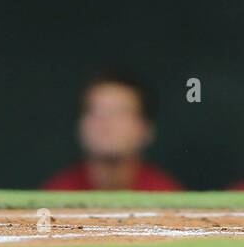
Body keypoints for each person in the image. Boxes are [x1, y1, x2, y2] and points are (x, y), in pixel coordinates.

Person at [42, 73, 182, 191]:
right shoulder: (56, 194)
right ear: (80, 126)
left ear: (146, 129)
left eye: (120, 112)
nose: (106, 122)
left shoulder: (166, 194)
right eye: (95, 112)